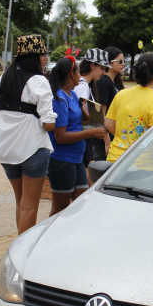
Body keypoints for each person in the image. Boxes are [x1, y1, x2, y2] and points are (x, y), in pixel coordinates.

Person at [0, 34, 56, 235]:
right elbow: (49, 124)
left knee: (20, 202)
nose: (45, 59)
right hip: (32, 148)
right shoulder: (39, 81)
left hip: (6, 150)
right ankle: (22, 252)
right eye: (43, 55)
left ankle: (18, 245)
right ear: (34, 56)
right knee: (29, 206)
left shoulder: (0, 81)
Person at [47, 57, 107, 215]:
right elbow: (61, 137)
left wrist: (96, 120)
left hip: (76, 157)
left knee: (80, 203)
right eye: (78, 72)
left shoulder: (73, 95)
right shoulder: (59, 100)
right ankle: (50, 237)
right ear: (71, 75)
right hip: (62, 159)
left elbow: (83, 119)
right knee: (60, 207)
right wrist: (91, 132)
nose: (80, 76)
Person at [104, 52, 153, 164]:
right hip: (141, 165)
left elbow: (109, 123)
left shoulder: (121, 94)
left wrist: (126, 136)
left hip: (114, 161)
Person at [75, 49, 109, 179]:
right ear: (92, 65)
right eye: (102, 68)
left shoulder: (86, 85)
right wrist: (94, 123)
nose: (103, 72)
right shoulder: (83, 86)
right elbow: (79, 112)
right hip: (83, 137)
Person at [97, 47, 125, 154]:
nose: (123, 64)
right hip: (104, 139)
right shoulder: (104, 82)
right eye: (120, 61)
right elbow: (101, 114)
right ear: (109, 63)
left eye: (124, 61)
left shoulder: (114, 83)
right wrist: (107, 142)